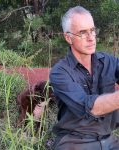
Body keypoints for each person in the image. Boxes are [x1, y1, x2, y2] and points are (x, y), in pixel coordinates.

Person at [49, 6, 119, 150]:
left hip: (109, 139)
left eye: (92, 30)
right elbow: (91, 107)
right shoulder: (60, 72)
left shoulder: (108, 61)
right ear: (68, 37)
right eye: (83, 33)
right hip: (75, 142)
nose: (91, 37)